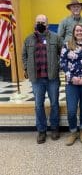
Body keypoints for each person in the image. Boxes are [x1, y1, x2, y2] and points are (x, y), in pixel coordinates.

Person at [22, 14, 61, 144]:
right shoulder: (28, 39)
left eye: (43, 22)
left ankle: (55, 128)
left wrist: (58, 67)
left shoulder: (56, 37)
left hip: (52, 78)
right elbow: (24, 56)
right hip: (36, 79)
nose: (40, 24)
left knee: (54, 103)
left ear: (47, 25)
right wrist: (26, 69)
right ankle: (42, 131)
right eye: (38, 22)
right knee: (39, 105)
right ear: (35, 24)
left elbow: (63, 53)